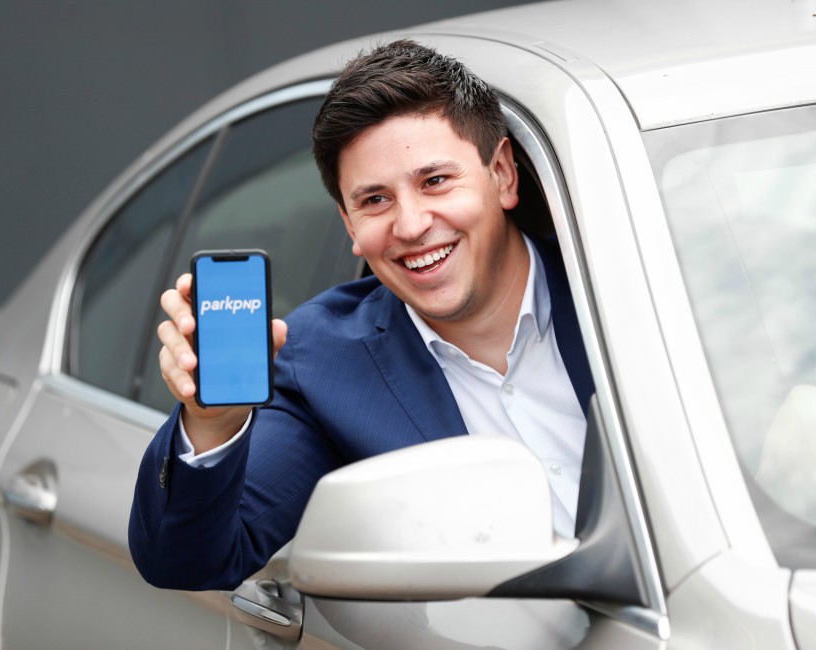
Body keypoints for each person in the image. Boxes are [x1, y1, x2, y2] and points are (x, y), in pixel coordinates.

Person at [129, 39, 595, 591]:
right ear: (349, 226)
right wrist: (211, 423)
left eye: (435, 181)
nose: (411, 224)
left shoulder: (623, 287)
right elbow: (188, 562)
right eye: (375, 200)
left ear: (503, 176)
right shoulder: (322, 365)